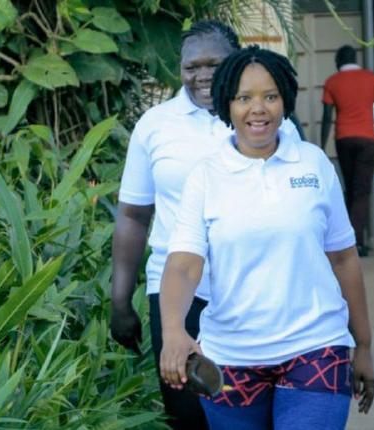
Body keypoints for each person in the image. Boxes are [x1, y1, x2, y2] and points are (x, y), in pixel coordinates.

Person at [158, 46, 374, 430]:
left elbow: (344, 258)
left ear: (285, 101)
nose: (258, 109)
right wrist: (174, 331)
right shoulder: (206, 176)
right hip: (231, 357)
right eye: (244, 98)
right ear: (228, 104)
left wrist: (365, 346)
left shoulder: (313, 164)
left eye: (270, 96)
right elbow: (184, 264)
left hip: (316, 347)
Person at [110, 21, 299, 428]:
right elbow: (133, 215)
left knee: (253, 412)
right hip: (180, 295)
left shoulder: (270, 122)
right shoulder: (156, 126)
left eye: (215, 63)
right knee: (189, 414)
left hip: (259, 292)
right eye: (191, 66)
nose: (202, 75)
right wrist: (120, 300)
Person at [320, 45, 374, 257]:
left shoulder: (332, 81)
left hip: (343, 139)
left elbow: (327, 117)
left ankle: (346, 238)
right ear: (355, 58)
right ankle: (356, 241)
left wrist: (322, 146)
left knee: (350, 189)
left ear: (338, 61)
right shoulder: (371, 78)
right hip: (368, 139)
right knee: (361, 191)